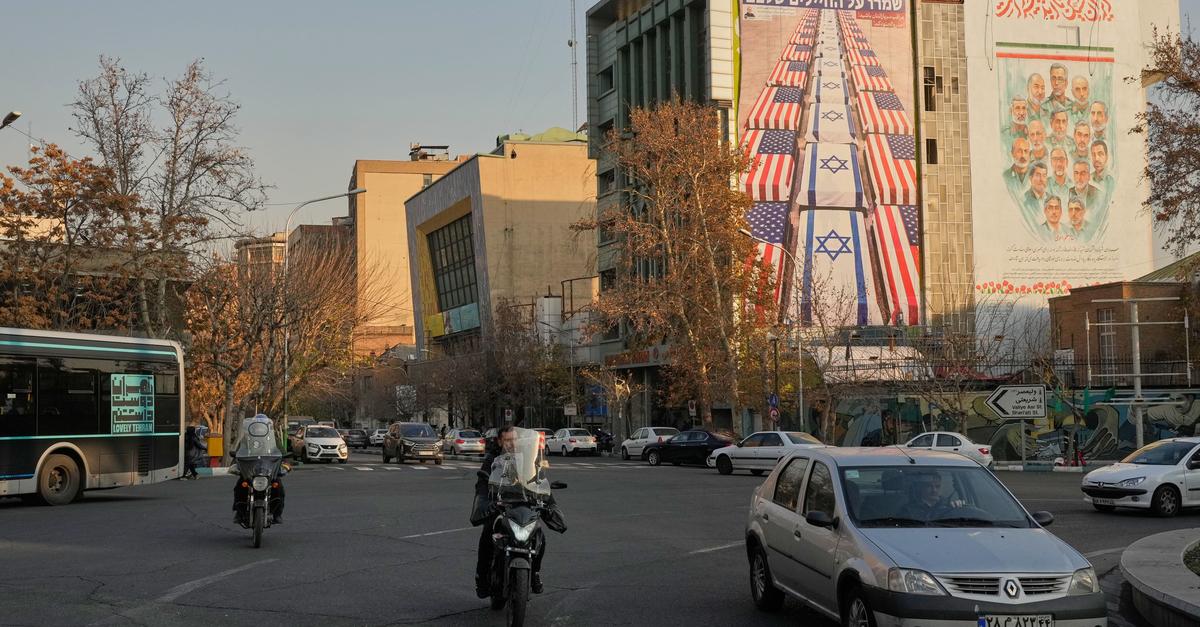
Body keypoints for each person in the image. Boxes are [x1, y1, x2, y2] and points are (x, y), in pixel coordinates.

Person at [473, 425, 564, 598]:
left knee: (539, 536)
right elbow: (483, 482)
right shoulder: (492, 459)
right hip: (501, 506)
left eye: (514, 439)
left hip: (524, 505)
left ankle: (535, 572)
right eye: (507, 440)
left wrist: (548, 501)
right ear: (500, 441)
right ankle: (482, 578)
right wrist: (485, 500)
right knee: (487, 535)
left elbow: (538, 478)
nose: (512, 443)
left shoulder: (528, 457)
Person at [232, 414, 287, 525]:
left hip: (268, 470)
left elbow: (281, 453)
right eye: (257, 427)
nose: (259, 429)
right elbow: (239, 453)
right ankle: (239, 512)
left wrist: (284, 460)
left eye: (262, 427)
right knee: (239, 486)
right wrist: (236, 461)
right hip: (250, 470)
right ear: (253, 427)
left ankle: (277, 514)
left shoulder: (273, 440)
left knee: (279, 487)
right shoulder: (246, 439)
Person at [896, 471, 964, 521]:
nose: (934, 490)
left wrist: (959, 507)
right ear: (922, 488)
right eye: (929, 486)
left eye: (937, 486)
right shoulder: (908, 510)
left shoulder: (949, 505)